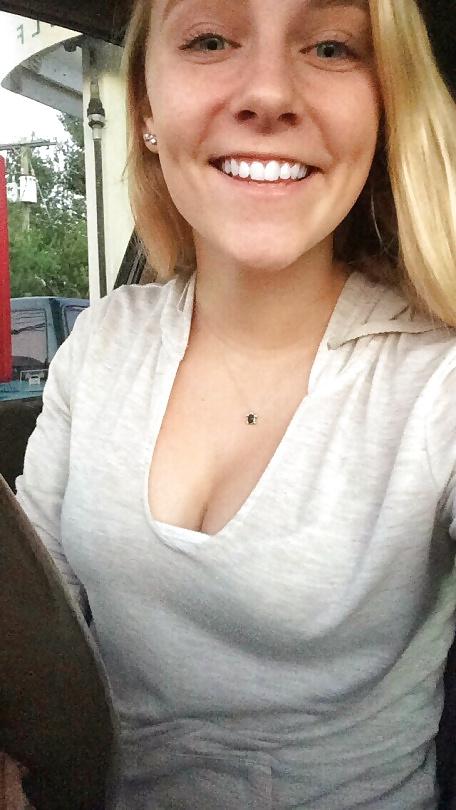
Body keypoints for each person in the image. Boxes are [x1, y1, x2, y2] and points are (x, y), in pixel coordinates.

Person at [10, 0, 456, 806]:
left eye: (331, 47)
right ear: (146, 110)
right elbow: (27, 613)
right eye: (210, 39)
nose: (269, 93)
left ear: (386, 107)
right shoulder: (103, 341)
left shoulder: (437, 383)